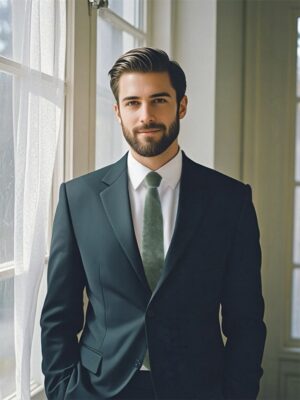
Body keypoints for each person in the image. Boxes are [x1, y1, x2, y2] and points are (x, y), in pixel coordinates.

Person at [40, 47, 266, 400]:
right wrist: (62, 390)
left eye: (159, 100)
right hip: (98, 389)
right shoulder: (77, 198)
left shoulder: (230, 201)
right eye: (132, 103)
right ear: (117, 112)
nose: (146, 115)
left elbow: (246, 320)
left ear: (182, 105)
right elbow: (58, 315)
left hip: (199, 388)